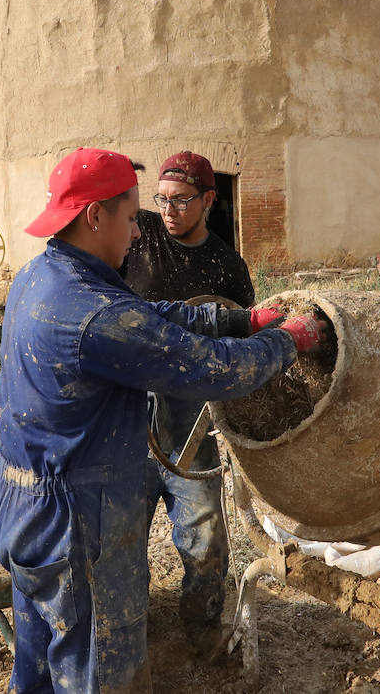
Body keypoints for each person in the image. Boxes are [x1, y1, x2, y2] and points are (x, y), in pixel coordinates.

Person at [0, 147, 322, 694]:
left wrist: (236, 317)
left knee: (40, 663)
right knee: (98, 671)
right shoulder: (96, 315)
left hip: (20, 503)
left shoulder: (39, 276)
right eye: (130, 215)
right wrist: (288, 339)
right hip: (77, 524)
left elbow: (148, 317)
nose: (139, 232)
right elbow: (214, 370)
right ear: (96, 216)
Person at [119, 151, 253, 633]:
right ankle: (129, 624)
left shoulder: (227, 268)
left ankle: (200, 629)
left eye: (181, 201)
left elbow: (239, 346)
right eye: (162, 200)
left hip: (192, 419)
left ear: (209, 200)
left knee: (206, 537)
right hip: (130, 408)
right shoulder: (141, 236)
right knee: (120, 532)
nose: (169, 210)